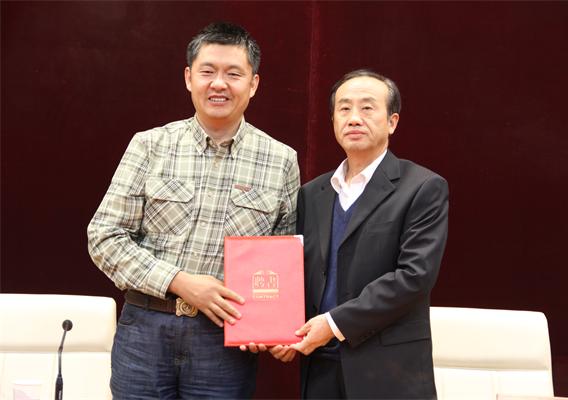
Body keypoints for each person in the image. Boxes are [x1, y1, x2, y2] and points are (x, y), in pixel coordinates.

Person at [87, 22, 300, 399]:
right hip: (145, 332)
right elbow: (104, 237)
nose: (219, 84)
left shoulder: (281, 160)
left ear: (253, 84)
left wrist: (268, 325)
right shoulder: (150, 145)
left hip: (223, 344)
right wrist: (180, 281)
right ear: (189, 78)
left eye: (233, 74)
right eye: (207, 71)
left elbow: (282, 263)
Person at [271, 69, 449, 399]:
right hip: (319, 366)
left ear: (392, 122)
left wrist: (333, 324)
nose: (354, 118)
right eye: (344, 108)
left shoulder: (422, 187)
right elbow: (299, 272)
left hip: (388, 370)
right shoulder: (312, 193)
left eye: (367, 108)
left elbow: (414, 276)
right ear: (333, 121)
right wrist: (280, 328)